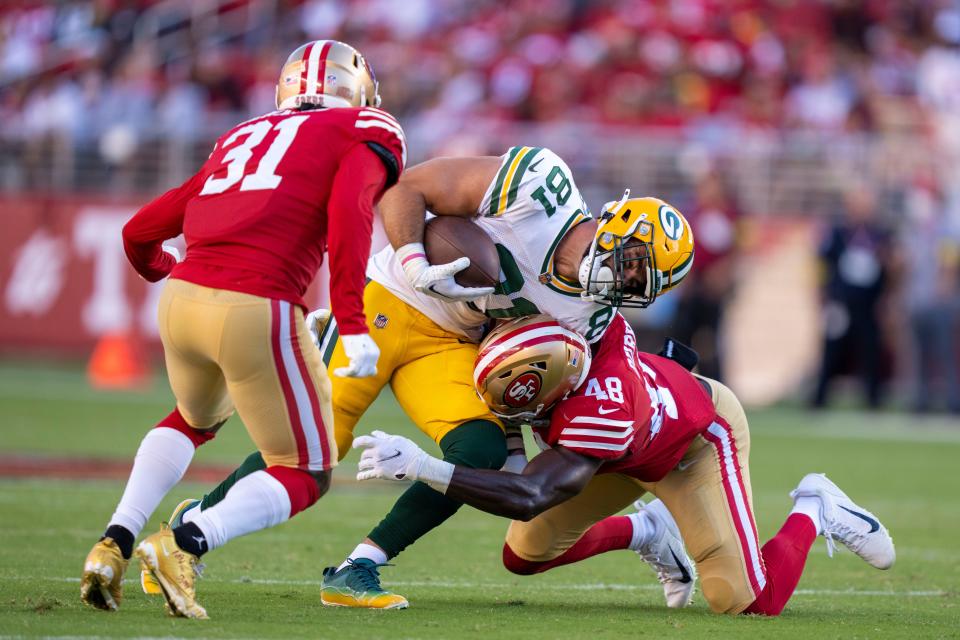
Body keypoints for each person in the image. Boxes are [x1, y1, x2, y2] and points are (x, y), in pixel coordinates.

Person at [151, 160, 696, 609]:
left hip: (452, 345)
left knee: (478, 452)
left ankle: (358, 567)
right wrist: (413, 260)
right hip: (390, 298)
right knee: (315, 450)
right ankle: (187, 534)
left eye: (641, 284)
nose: (625, 284)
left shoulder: (590, 315)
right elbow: (406, 188)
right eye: (631, 265)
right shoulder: (539, 189)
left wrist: (512, 415)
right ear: (616, 225)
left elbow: (530, 360)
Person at [79, 39, 406, 619]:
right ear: (356, 91)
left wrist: (170, 270)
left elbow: (138, 232)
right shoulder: (366, 127)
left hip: (182, 302)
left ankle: (114, 543)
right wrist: (353, 321)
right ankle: (184, 543)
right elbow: (348, 219)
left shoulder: (244, 134)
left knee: (192, 419)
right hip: (258, 302)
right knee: (305, 468)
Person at [355, 312, 896, 616]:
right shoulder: (568, 331)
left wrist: (425, 466)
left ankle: (816, 505)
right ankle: (649, 532)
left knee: (748, 601)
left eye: (520, 404)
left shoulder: (599, 409)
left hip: (692, 446)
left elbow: (528, 493)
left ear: (556, 385)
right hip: (613, 454)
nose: (509, 414)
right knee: (524, 555)